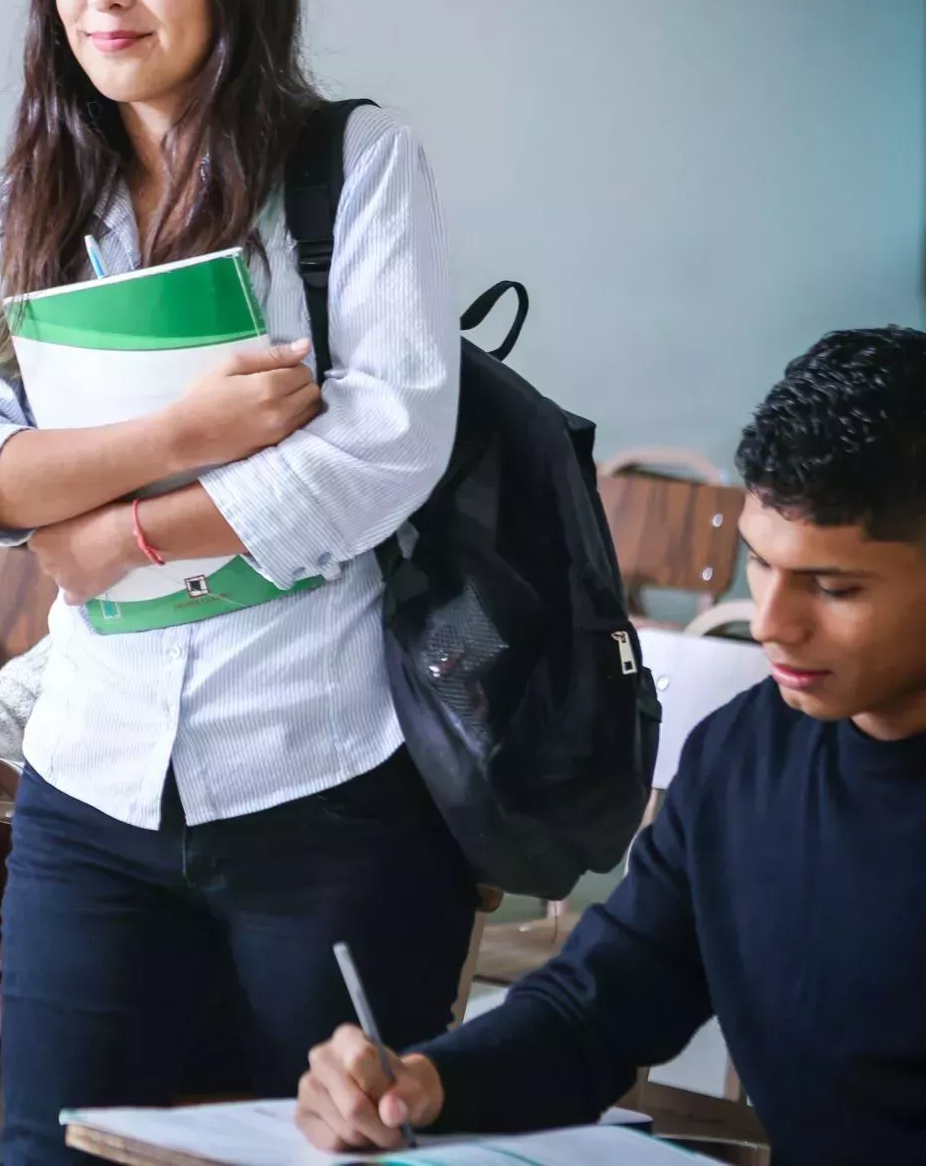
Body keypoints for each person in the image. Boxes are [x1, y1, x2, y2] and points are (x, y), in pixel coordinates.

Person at [0, 0, 475, 1161]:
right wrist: (178, 438)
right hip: (92, 784)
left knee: (314, 1148)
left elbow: (386, 444)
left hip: (321, 780)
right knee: (50, 1150)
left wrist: (115, 534)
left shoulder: (352, 167)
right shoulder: (33, 191)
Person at [296, 326, 926, 1166]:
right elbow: (596, 1009)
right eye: (761, 566)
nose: (772, 622)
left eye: (835, 587)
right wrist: (426, 1083)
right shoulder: (742, 761)